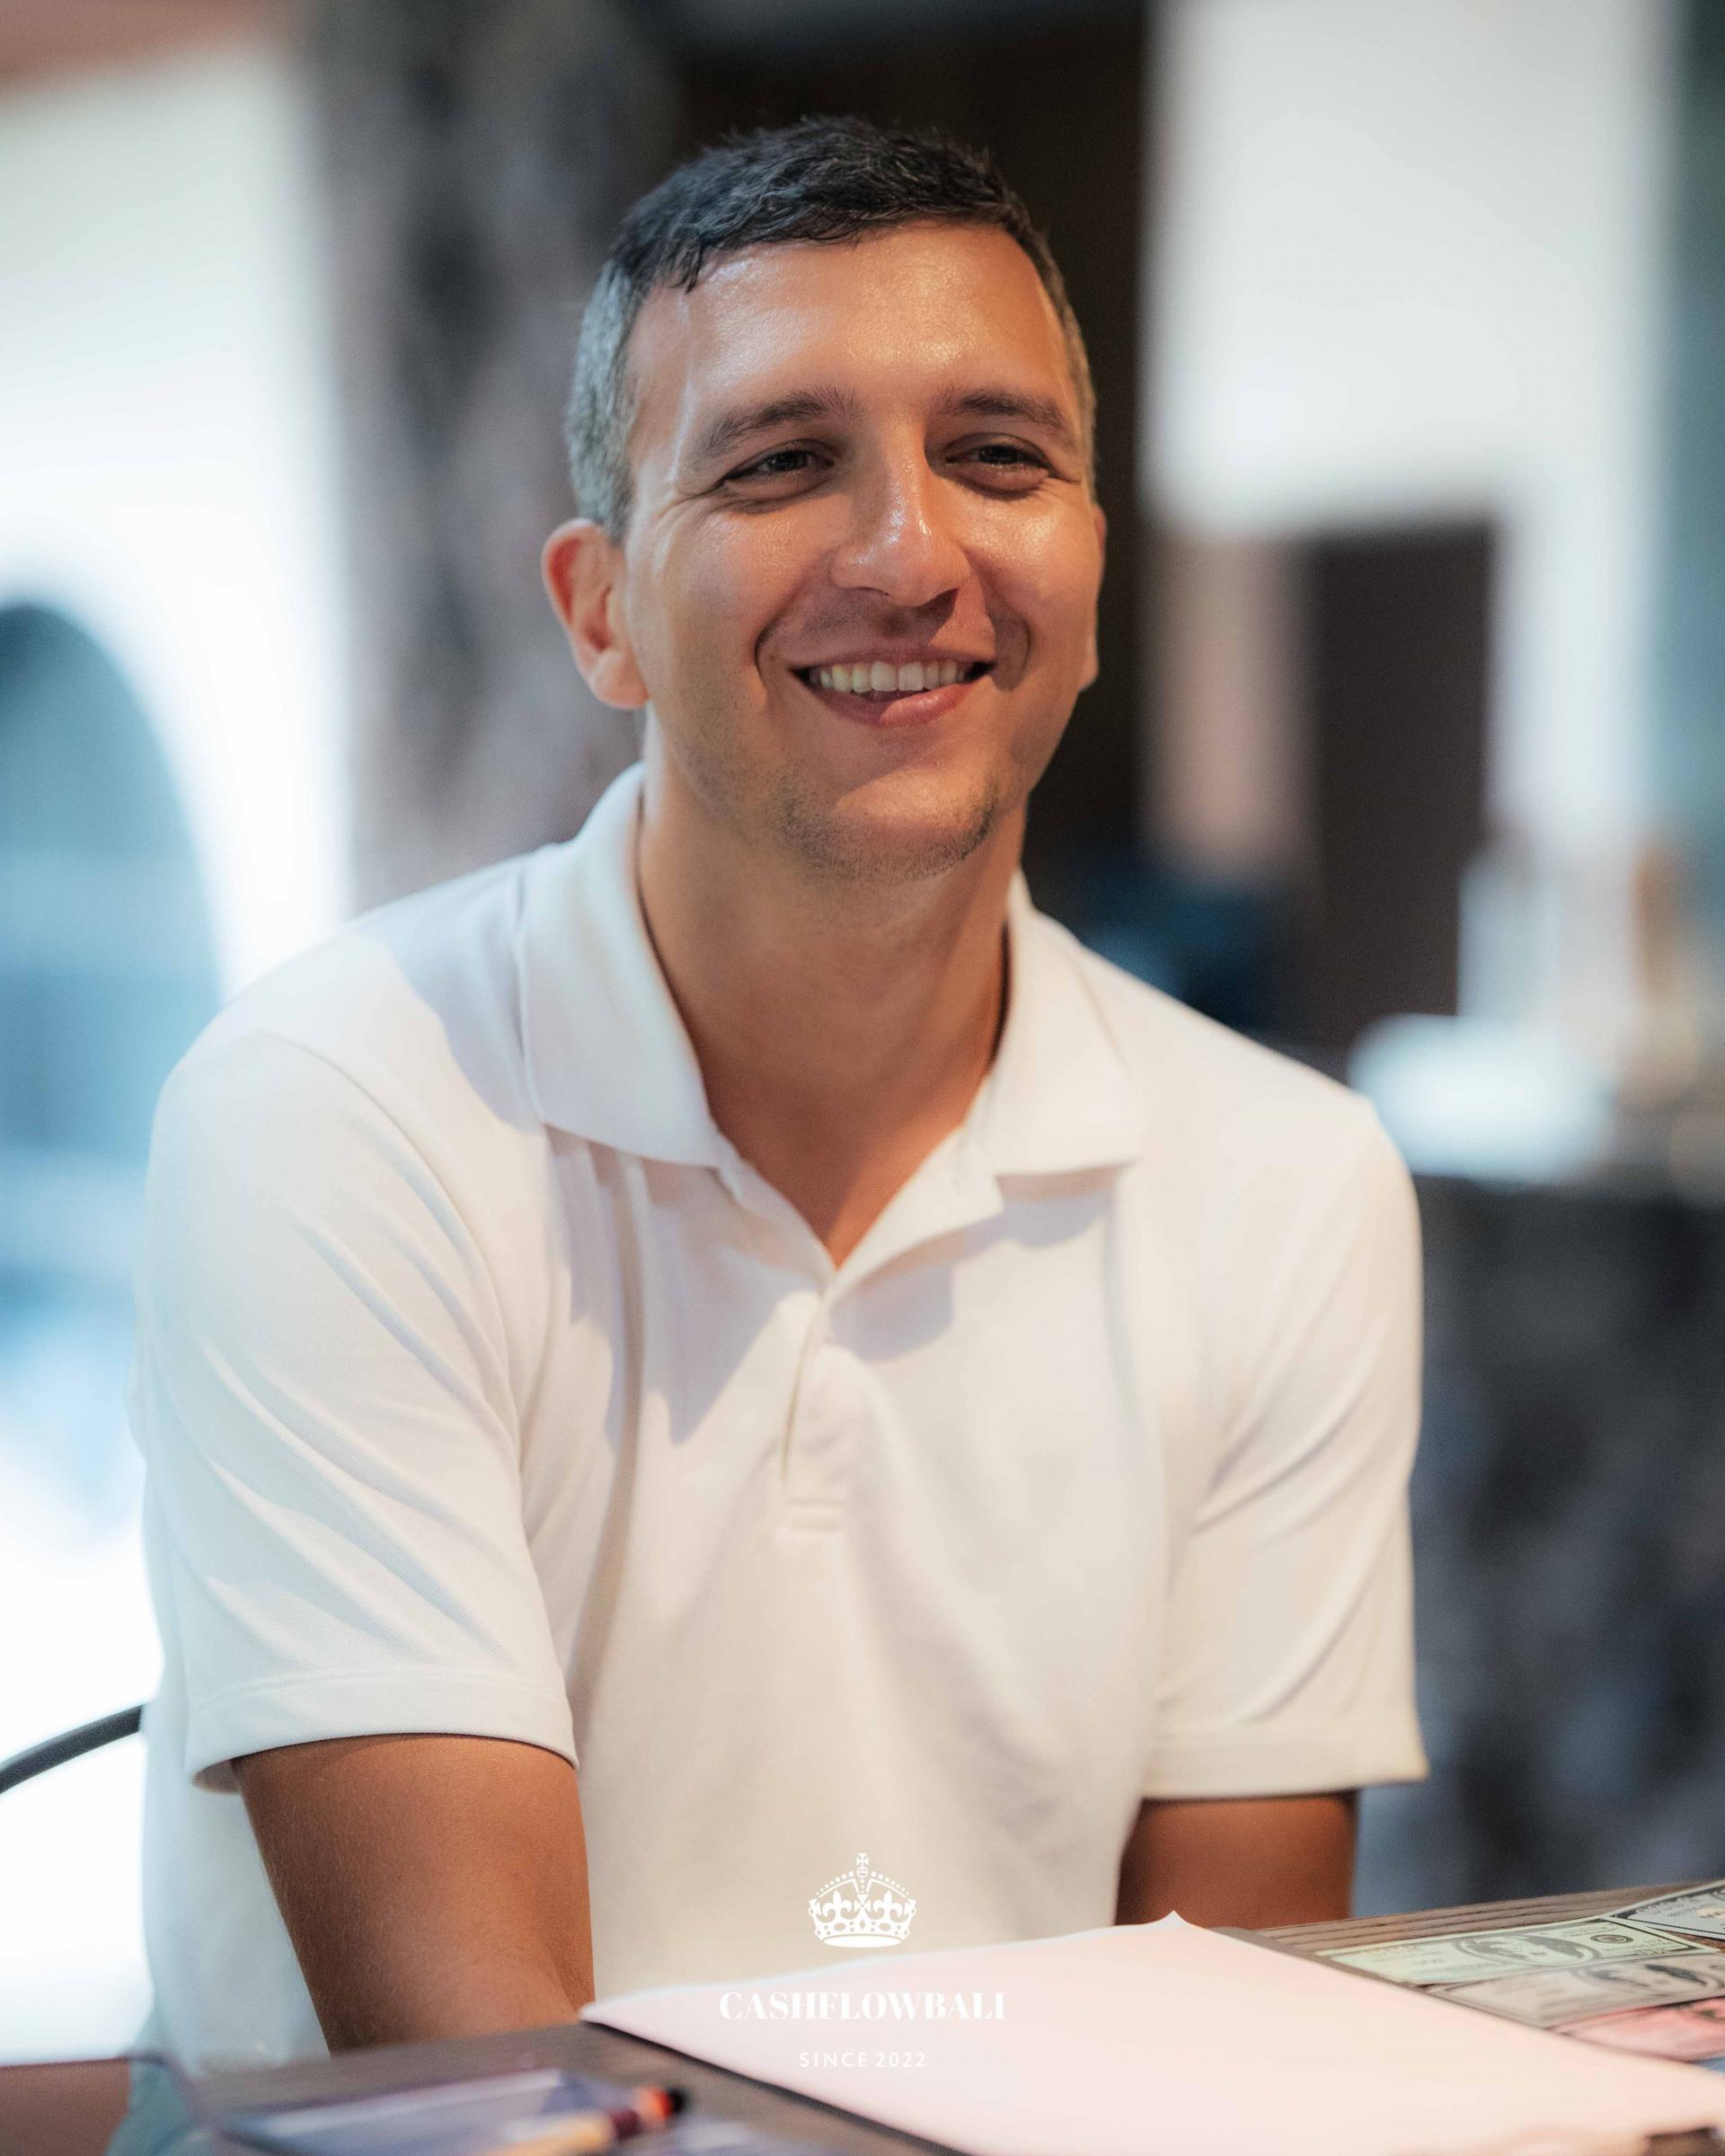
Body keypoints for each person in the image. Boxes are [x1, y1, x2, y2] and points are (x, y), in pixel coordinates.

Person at [128, 117, 1426, 2070]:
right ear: (598, 613)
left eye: (998, 457)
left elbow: (1232, 2050)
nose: (909, 555)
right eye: (779, 463)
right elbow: (481, 2082)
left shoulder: (1290, 1181)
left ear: (1090, 569)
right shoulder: (333, 1112)